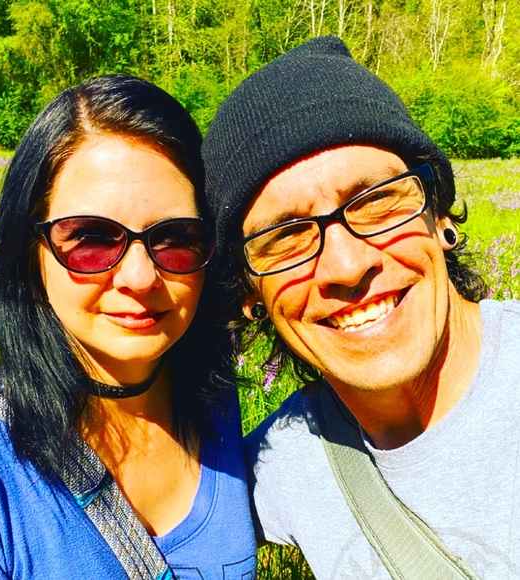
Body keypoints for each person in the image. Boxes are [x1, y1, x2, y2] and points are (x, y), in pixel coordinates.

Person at [202, 36, 519, 578]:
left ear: (438, 213)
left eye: (376, 201)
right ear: (251, 296)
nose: (347, 266)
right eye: (285, 236)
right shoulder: (275, 469)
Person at [0, 75, 257, 579]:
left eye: (177, 237)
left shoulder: (214, 401)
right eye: (90, 238)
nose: (140, 277)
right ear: (30, 250)